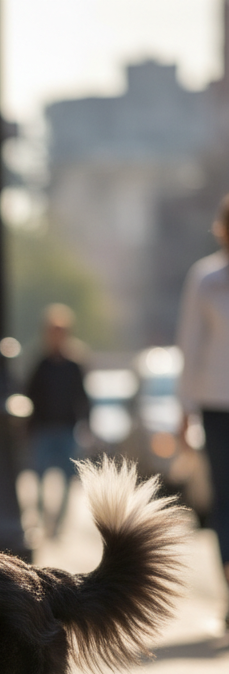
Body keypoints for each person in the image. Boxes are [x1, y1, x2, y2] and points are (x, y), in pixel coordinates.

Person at [176, 193, 229, 627]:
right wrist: (185, 408)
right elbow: (189, 346)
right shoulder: (207, 278)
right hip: (216, 404)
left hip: (213, 402)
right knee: (225, 501)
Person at [25, 304, 89, 536]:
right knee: (39, 477)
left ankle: (58, 525)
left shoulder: (75, 364)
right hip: (42, 429)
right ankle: (43, 519)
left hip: (67, 428)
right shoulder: (40, 364)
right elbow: (28, 394)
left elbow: (83, 396)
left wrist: (86, 424)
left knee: (67, 478)